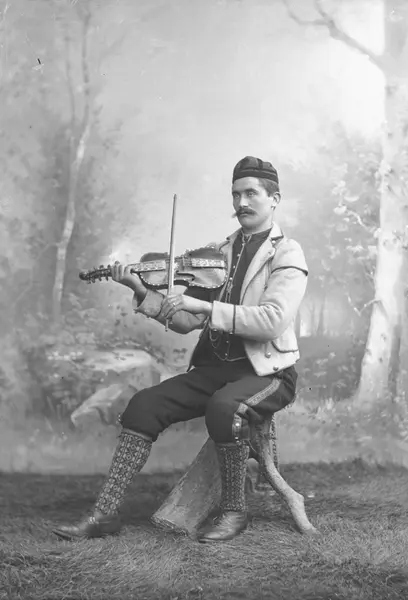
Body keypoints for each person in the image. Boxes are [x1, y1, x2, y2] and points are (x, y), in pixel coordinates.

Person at [52, 156, 308, 543]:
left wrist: (202, 305)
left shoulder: (287, 253)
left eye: (251, 193)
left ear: (274, 199)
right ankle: (104, 514)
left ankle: (234, 511)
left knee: (225, 407)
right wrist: (142, 290)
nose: (241, 202)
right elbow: (186, 321)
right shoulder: (216, 254)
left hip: (267, 372)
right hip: (215, 370)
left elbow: (271, 320)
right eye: (236, 194)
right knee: (143, 405)